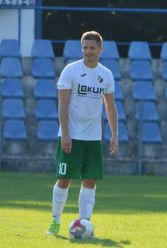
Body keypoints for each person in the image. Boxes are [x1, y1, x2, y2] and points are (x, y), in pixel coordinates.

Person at [46, 31, 119, 236]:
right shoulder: (71, 70)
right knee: (65, 179)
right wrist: (66, 134)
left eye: (92, 48)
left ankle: (84, 223)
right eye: (85, 47)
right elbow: (63, 102)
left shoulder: (106, 74)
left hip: (93, 137)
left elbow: (110, 106)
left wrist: (114, 134)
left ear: (100, 49)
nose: (88, 51)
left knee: (90, 181)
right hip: (71, 135)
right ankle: (55, 221)